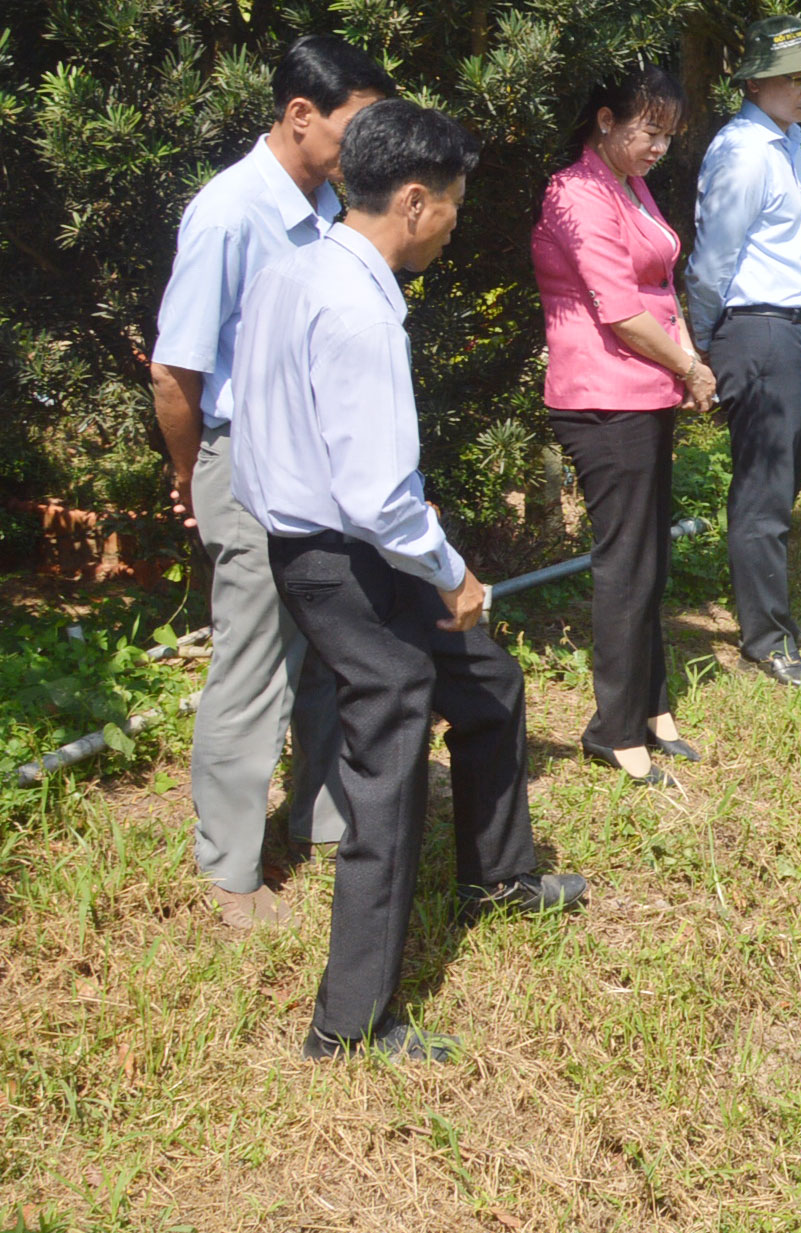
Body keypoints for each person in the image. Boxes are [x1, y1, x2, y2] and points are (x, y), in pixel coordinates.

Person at [231, 99, 590, 1061]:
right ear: (417, 202)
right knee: (387, 763)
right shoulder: (358, 312)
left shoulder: (293, 271)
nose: (457, 225)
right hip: (350, 557)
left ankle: (498, 875)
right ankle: (349, 1024)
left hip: (319, 543)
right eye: (458, 208)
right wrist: (456, 575)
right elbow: (382, 499)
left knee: (487, 682)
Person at [150, 34, 392, 930]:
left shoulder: (330, 200)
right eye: (355, 125)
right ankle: (231, 870)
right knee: (252, 665)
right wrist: (195, 477)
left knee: (327, 646)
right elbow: (174, 372)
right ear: (299, 116)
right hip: (244, 457)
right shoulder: (229, 213)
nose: (368, 147)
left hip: (315, 462)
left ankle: (322, 820)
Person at [534, 64, 718, 783]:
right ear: (605, 121)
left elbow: (662, 282)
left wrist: (686, 358)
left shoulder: (627, 184)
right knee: (624, 565)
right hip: (602, 396)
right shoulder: (575, 194)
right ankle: (612, 728)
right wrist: (691, 368)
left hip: (647, 389)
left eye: (668, 138)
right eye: (647, 132)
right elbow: (618, 308)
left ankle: (651, 706)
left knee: (650, 558)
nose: (657, 150)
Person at [690, 15, 801, 688]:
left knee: (781, 485)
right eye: (793, 79)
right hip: (759, 331)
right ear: (755, 83)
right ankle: (765, 640)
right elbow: (711, 260)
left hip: (795, 332)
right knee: (762, 491)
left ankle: (775, 618)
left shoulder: (787, 140)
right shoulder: (745, 152)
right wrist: (700, 347)